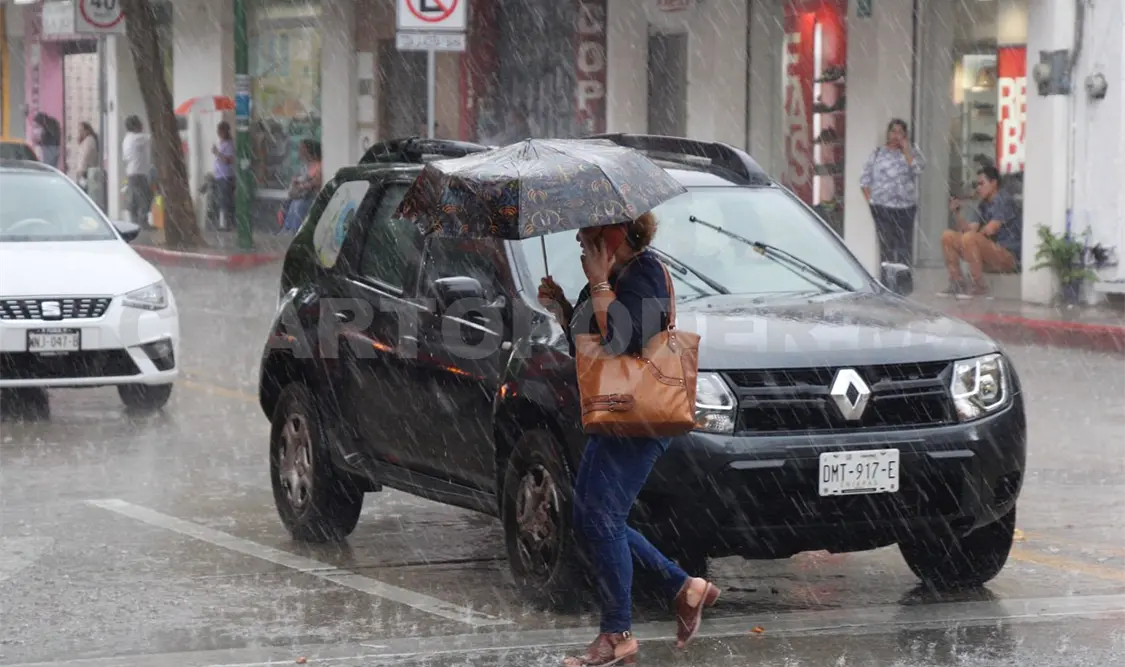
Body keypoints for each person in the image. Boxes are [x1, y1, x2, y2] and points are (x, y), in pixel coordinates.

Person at [537, 213, 720, 667]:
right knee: (590, 519)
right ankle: (684, 589)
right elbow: (586, 341)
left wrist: (600, 284)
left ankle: (618, 634)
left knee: (600, 520)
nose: (578, 243)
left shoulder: (646, 274)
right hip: (613, 414)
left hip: (642, 417)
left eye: (586, 236)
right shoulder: (611, 275)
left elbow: (623, 341)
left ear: (612, 237)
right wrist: (562, 305)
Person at [941, 165, 1021, 298]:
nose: (978, 188)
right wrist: (956, 213)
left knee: (970, 238)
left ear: (994, 183)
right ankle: (957, 282)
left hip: (1007, 256)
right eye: (977, 185)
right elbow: (969, 230)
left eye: (981, 184)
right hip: (988, 254)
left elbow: (990, 229)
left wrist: (968, 238)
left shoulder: (1004, 200)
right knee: (947, 236)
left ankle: (978, 284)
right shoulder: (982, 204)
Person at [859, 118, 926, 266]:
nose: (896, 135)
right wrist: (871, 201)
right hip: (882, 208)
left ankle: (903, 284)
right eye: (893, 131)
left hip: (905, 208)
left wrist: (907, 151)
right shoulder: (877, 153)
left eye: (900, 132)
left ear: (905, 135)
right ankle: (886, 283)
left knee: (904, 247)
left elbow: (918, 170)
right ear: (888, 133)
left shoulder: (912, 152)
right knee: (886, 248)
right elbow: (864, 180)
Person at [279, 139, 322, 233]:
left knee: (298, 206)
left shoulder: (318, 166)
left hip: (310, 198)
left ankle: (295, 232)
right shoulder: (305, 166)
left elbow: (317, 182)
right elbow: (298, 180)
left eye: (302, 149)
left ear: (308, 151)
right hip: (300, 196)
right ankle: (287, 231)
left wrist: (303, 185)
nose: (299, 151)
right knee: (292, 206)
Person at [122, 115, 154, 227]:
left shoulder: (127, 139)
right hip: (138, 174)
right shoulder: (137, 138)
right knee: (145, 198)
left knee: (135, 199)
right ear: (136, 126)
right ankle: (142, 222)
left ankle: (135, 222)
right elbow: (153, 137)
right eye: (140, 123)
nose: (142, 125)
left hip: (132, 173)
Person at [207, 121, 236, 231]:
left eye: (220, 131)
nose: (218, 133)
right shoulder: (221, 143)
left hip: (226, 176)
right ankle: (223, 222)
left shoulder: (229, 144)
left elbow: (228, 160)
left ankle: (228, 223)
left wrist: (217, 153)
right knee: (221, 200)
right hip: (219, 176)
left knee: (226, 200)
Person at [69, 122, 100, 191]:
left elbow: (85, 156)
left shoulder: (89, 140)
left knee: (83, 192)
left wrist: (81, 171)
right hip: (84, 171)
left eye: (81, 130)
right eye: (79, 130)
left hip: (85, 172)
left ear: (87, 130)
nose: (80, 132)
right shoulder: (87, 140)